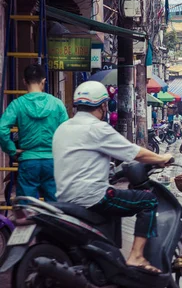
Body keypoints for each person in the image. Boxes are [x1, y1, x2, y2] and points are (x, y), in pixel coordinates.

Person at [53, 81, 172, 274]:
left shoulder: (63, 128)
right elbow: (135, 153)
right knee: (148, 201)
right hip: (93, 197)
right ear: (103, 106)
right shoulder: (98, 128)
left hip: (65, 197)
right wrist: (161, 158)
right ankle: (136, 256)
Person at [0, 64, 68, 202]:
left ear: (24, 81)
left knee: (27, 209)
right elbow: (67, 132)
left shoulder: (17, 104)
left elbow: (2, 129)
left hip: (28, 161)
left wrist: (12, 150)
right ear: (44, 81)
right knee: (56, 208)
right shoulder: (57, 104)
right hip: (52, 162)